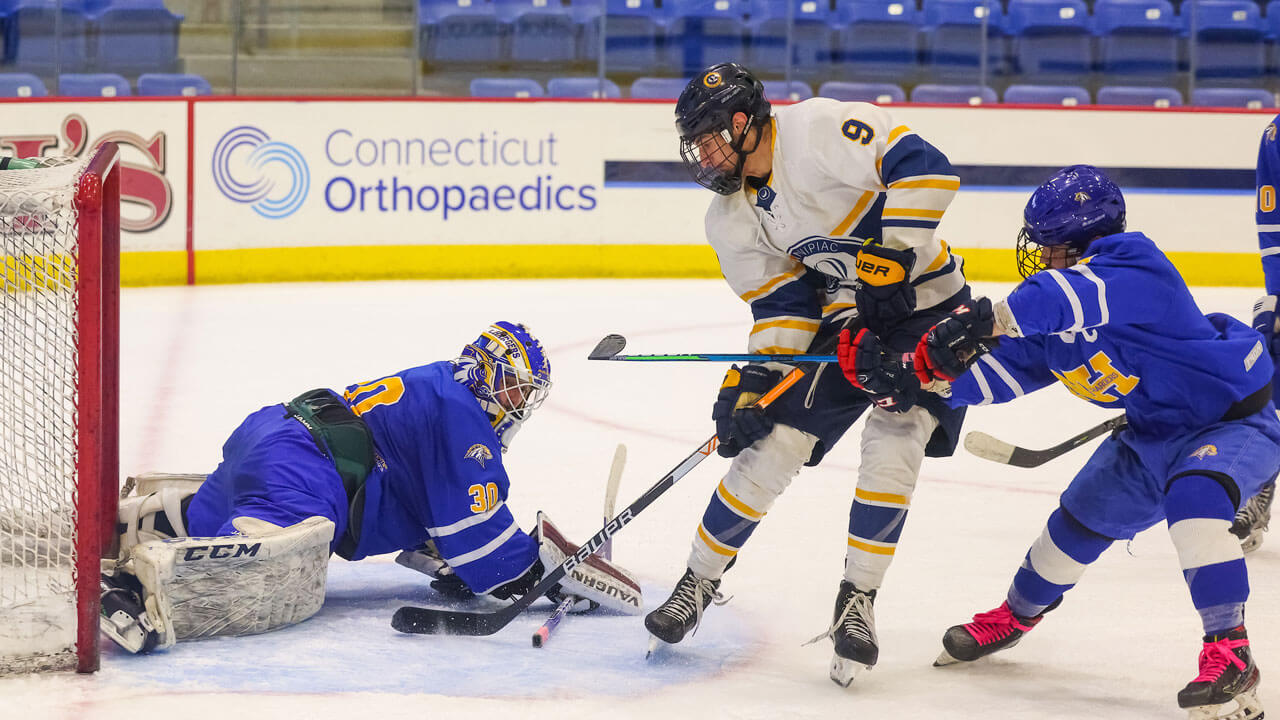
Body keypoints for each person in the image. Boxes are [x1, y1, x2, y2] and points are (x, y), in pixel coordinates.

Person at [838, 165, 1278, 720]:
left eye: (1051, 246)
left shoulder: (1136, 266)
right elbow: (998, 375)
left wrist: (982, 320)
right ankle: (1015, 617)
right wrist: (909, 380)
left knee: (1195, 508)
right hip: (1151, 432)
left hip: (1232, 423)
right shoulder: (1053, 312)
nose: (1041, 256)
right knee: (1070, 530)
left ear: (1085, 241)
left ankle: (1230, 651)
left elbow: (1059, 298)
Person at [643, 61, 971, 686]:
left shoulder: (816, 129)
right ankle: (698, 581)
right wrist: (756, 380)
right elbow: (784, 307)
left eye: (710, 138)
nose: (703, 155)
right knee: (770, 444)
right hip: (852, 324)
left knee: (894, 446)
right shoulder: (730, 217)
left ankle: (858, 601)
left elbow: (925, 165)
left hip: (929, 310)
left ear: (743, 123)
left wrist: (892, 261)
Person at [99, 321, 640, 654]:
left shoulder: (439, 382)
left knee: (216, 520)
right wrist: (553, 574)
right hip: (307, 475)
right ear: (490, 382)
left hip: (273, 436)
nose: (517, 407)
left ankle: (135, 522)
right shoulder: (464, 424)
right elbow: (488, 555)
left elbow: (427, 515)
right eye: (516, 391)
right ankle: (134, 594)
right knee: (274, 568)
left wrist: (450, 564)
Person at [1234, 114, 1280, 552]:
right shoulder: (1277, 133)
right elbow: (1273, 212)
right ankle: (1259, 486)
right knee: (1269, 372)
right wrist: (1279, 289)